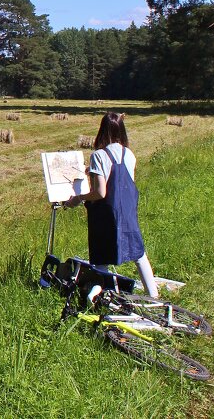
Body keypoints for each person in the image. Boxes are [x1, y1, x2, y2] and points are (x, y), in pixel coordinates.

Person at [64, 111, 159, 297]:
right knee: (138, 253)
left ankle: (101, 298)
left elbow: (100, 192)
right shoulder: (129, 154)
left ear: (102, 131)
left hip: (106, 213)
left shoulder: (98, 155)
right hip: (128, 210)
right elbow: (123, 182)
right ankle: (153, 296)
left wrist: (78, 198)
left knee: (101, 257)